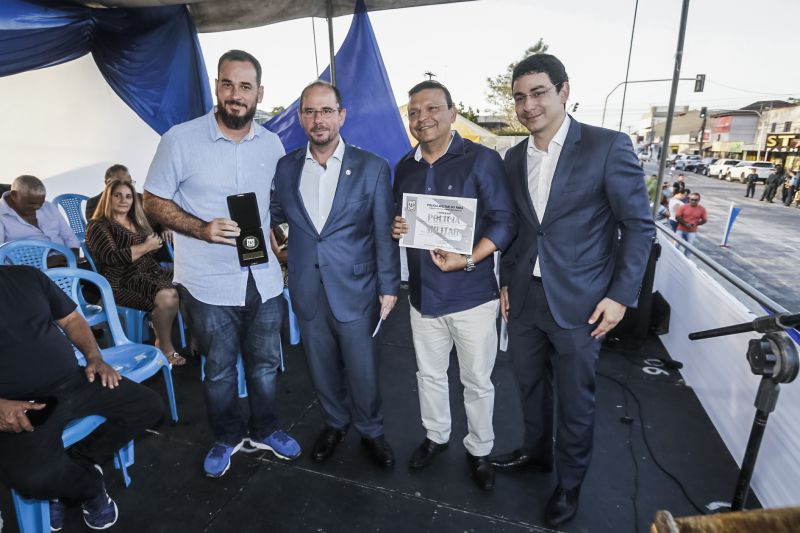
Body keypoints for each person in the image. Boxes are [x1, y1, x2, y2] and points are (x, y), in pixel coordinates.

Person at [491, 54, 654, 527]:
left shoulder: (607, 146)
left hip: (583, 303)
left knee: (576, 400)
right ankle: (537, 452)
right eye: (520, 97)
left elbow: (638, 226)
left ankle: (569, 482)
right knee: (528, 386)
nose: (528, 105)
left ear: (564, 91)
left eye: (539, 92)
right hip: (525, 298)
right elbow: (518, 228)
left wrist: (620, 297)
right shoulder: (514, 157)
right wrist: (505, 281)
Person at [143, 49, 300, 478]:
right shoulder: (180, 139)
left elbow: (273, 203)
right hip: (208, 282)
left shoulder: (271, 143)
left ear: (259, 93)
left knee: (265, 365)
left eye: (245, 86)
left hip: (263, 278)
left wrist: (280, 233)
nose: (235, 94)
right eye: (227, 84)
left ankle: (266, 428)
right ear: (216, 86)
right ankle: (227, 436)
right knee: (219, 370)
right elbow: (152, 200)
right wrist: (200, 228)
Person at [391, 80, 517, 491]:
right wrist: (397, 226)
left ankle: (480, 449)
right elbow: (399, 217)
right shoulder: (405, 167)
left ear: (452, 112)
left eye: (431, 108)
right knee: (429, 375)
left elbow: (505, 221)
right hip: (423, 297)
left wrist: (470, 258)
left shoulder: (482, 160)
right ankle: (436, 436)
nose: (422, 118)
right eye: (414, 112)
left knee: (477, 381)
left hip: (472, 296)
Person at [270, 81, 399, 468]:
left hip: (357, 288)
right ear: (300, 118)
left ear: (341, 116)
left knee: (363, 369)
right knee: (320, 366)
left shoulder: (373, 167)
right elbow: (276, 214)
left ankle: (371, 430)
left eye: (326, 111)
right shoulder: (286, 167)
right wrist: (276, 242)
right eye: (310, 111)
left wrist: (389, 285)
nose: (318, 119)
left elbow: (383, 231)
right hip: (307, 287)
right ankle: (334, 423)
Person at [0, 265, 163, 531]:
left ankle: (78, 462)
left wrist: (94, 357)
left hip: (74, 379)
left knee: (147, 406)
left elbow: (71, 320)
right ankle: (88, 487)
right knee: (34, 479)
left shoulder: (26, 276)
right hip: (19, 405)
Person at [85, 178, 185, 366]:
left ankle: (198, 339)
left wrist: (155, 241)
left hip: (150, 271)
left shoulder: (136, 220)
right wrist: (146, 246)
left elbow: (156, 234)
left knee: (189, 280)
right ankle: (165, 346)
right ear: (108, 198)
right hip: (121, 280)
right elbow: (111, 257)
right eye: (118, 196)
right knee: (168, 296)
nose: (124, 200)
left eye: (128, 196)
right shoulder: (98, 225)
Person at [86, 165, 173, 264]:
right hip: (136, 252)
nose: (126, 186)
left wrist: (166, 228)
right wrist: (146, 246)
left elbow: (162, 212)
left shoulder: (139, 198)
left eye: (130, 182)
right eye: (117, 195)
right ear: (108, 183)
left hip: (156, 241)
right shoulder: (95, 208)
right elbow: (109, 242)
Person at [0, 175, 80, 259]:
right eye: (31, 203)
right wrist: (42, 262)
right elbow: (1, 254)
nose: (37, 207)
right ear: (14, 195)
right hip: (28, 264)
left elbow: (69, 236)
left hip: (65, 259)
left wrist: (73, 256)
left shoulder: (48, 206)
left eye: (41, 203)